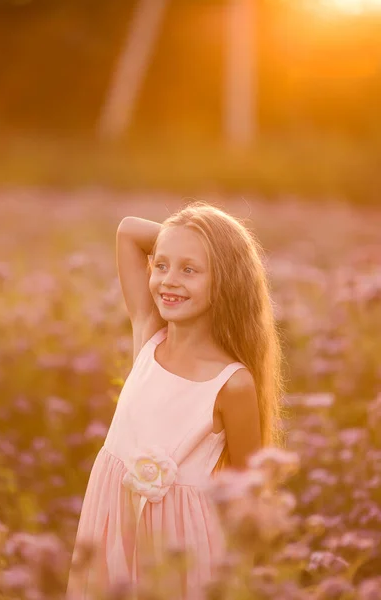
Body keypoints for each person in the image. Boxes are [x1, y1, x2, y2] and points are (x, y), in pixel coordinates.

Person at [66, 200, 285, 600]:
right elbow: (129, 230)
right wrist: (185, 238)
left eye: (189, 270)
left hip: (181, 548)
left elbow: (250, 490)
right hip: (113, 521)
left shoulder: (232, 383)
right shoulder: (149, 335)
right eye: (162, 265)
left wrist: (244, 576)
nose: (168, 280)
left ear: (226, 281)